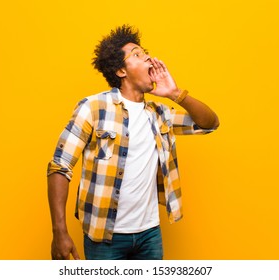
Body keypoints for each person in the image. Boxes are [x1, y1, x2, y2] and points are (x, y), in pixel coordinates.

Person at [47, 24, 219, 260]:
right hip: (104, 236)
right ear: (120, 70)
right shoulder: (94, 108)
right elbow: (59, 166)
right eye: (137, 54)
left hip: (150, 235)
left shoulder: (160, 114)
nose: (148, 57)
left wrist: (175, 93)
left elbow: (209, 123)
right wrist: (59, 232)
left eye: (145, 51)